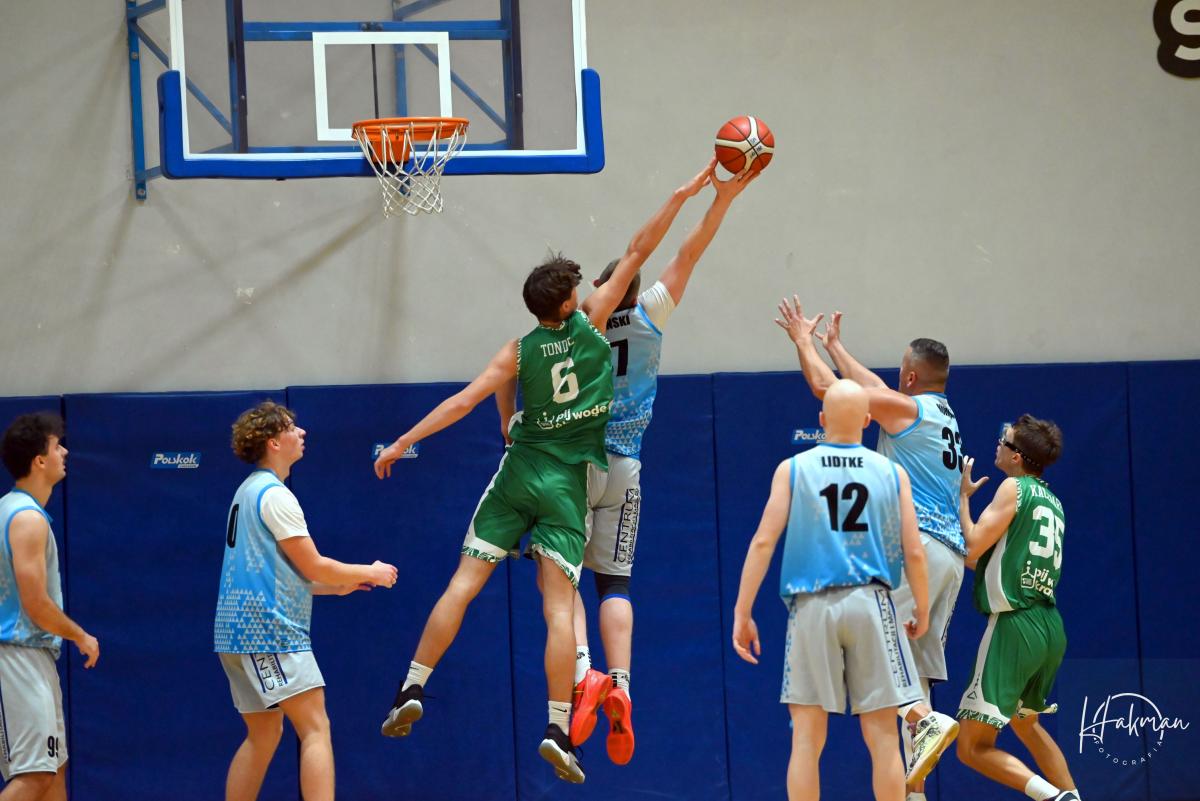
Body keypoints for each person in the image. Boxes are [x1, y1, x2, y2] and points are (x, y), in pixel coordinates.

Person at [374, 160, 719, 785]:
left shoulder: (517, 349)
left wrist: (403, 442)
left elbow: (464, 401)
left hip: (518, 470)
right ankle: (559, 728)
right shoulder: (594, 323)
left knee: (462, 584)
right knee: (561, 608)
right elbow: (641, 249)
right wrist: (682, 193)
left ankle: (411, 687)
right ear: (568, 303)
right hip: (569, 483)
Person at [500, 167, 757, 764]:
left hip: (573, 465)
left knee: (560, 580)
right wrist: (722, 199)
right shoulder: (650, 315)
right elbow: (689, 251)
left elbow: (514, 374)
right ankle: (622, 683)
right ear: (639, 290)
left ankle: (584, 672)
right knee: (615, 583)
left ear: (601, 285)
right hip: (627, 467)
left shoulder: (581, 321)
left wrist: (511, 427)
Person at [776, 299, 964, 796]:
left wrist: (804, 342)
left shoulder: (906, 410)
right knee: (910, 669)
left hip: (921, 545)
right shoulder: (939, 412)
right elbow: (872, 388)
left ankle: (923, 718)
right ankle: (915, 784)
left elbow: (832, 391)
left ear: (910, 377)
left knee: (882, 665)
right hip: (951, 557)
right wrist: (836, 347)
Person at [732, 379, 930, 801]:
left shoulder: (793, 468)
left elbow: (763, 541)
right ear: (867, 420)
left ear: (822, 420)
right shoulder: (892, 472)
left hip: (812, 607)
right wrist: (923, 607)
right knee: (883, 738)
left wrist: (742, 612)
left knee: (806, 739)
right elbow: (914, 551)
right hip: (872, 603)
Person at [216, 401, 397, 801]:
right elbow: (314, 564)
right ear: (272, 442)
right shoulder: (276, 496)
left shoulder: (246, 492)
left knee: (263, 734)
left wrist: (334, 587)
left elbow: (271, 573)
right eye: (291, 428)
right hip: (269, 633)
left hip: (235, 634)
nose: (302, 433)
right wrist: (370, 572)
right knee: (316, 727)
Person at [955, 416, 1079, 801]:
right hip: (1049, 627)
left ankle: (1052, 797)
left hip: (1015, 625)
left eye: (1003, 440)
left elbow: (971, 547)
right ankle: (1073, 796)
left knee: (971, 747)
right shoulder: (1053, 502)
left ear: (1016, 457)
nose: (998, 443)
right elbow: (982, 560)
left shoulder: (1013, 488)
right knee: (1026, 724)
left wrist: (962, 498)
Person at [0, 413, 99, 801]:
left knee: (54, 772)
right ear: (39, 460)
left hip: (27, 656)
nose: (65, 452)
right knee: (36, 776)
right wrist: (80, 635)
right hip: (16, 656)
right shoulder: (27, 519)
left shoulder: (11, 509)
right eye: (58, 446)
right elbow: (36, 603)